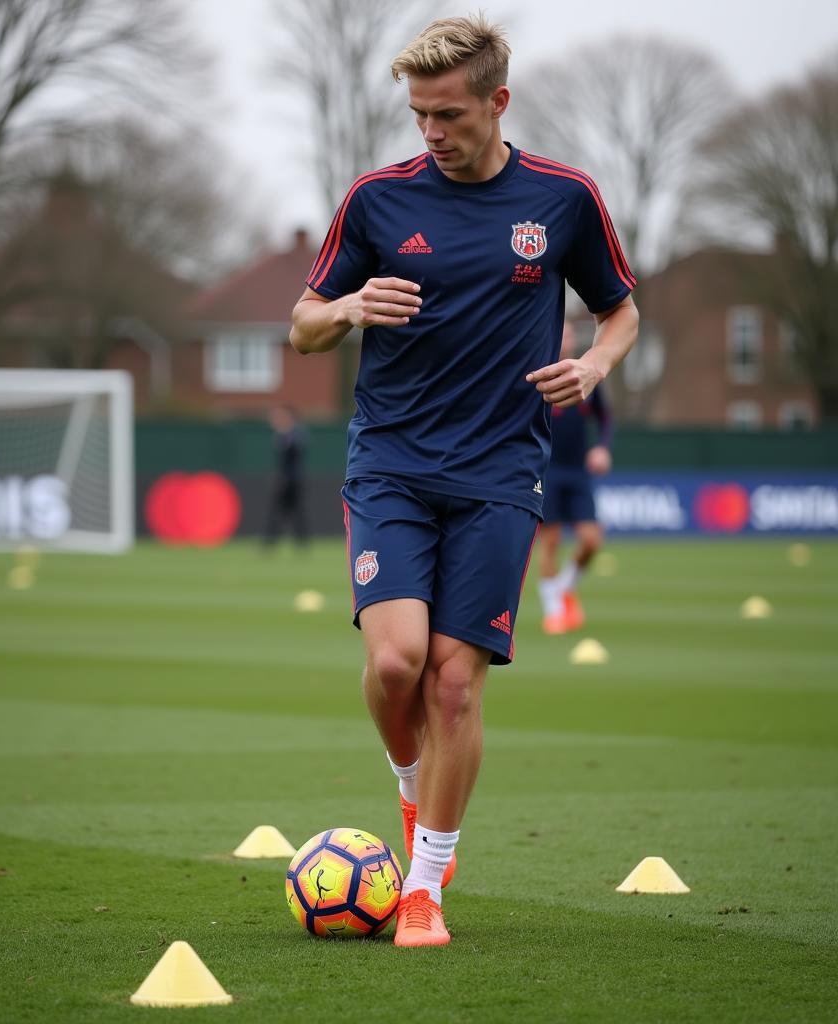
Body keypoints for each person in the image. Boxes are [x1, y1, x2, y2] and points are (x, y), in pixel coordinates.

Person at [289, 14, 638, 947]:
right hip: (392, 460)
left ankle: (426, 888)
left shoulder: (564, 200)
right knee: (396, 662)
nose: (432, 133)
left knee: (453, 686)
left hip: (501, 470)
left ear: (498, 103)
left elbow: (621, 312)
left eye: (448, 114)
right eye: (418, 115)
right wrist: (351, 305)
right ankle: (412, 790)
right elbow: (302, 323)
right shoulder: (376, 201)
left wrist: (595, 368)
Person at [538, 321, 613, 635]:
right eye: (561, 332)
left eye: (569, 333)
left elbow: (606, 418)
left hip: (578, 471)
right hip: (546, 470)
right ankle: (554, 611)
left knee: (592, 540)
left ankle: (564, 589)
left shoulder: (584, 374)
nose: (564, 338)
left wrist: (602, 448)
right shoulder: (538, 374)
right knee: (551, 541)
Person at [263, 405, 309, 548]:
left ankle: (300, 541)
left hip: (293, 480)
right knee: (281, 511)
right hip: (289, 479)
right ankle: (272, 541)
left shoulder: (294, 435)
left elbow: (293, 459)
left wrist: (283, 478)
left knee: (293, 511)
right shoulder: (283, 436)